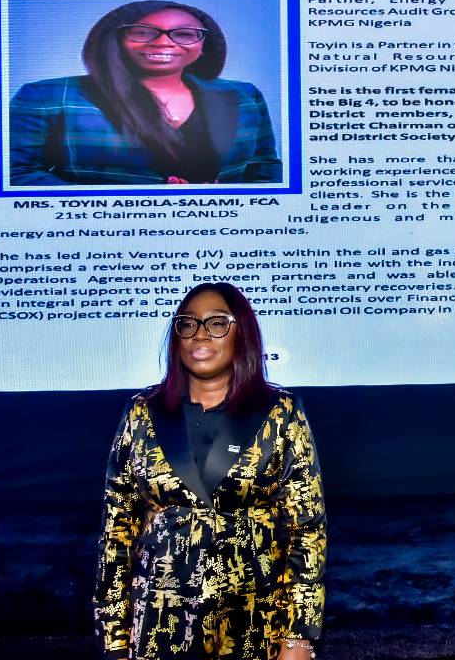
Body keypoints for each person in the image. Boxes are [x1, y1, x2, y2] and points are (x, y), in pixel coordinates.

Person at [93, 282, 325, 659]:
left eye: (217, 323)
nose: (199, 334)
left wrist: (299, 638)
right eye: (188, 324)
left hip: (253, 626)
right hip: (159, 627)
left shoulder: (280, 413)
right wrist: (114, 639)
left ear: (241, 333)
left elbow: (308, 530)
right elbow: (116, 532)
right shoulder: (142, 413)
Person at [10, 0, 281, 185]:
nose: (163, 42)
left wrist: (232, 202)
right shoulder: (47, 96)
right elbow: (16, 173)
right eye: (142, 32)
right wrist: (140, 203)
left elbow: (264, 168)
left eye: (185, 34)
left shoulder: (245, 95)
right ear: (114, 40)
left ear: (203, 46)